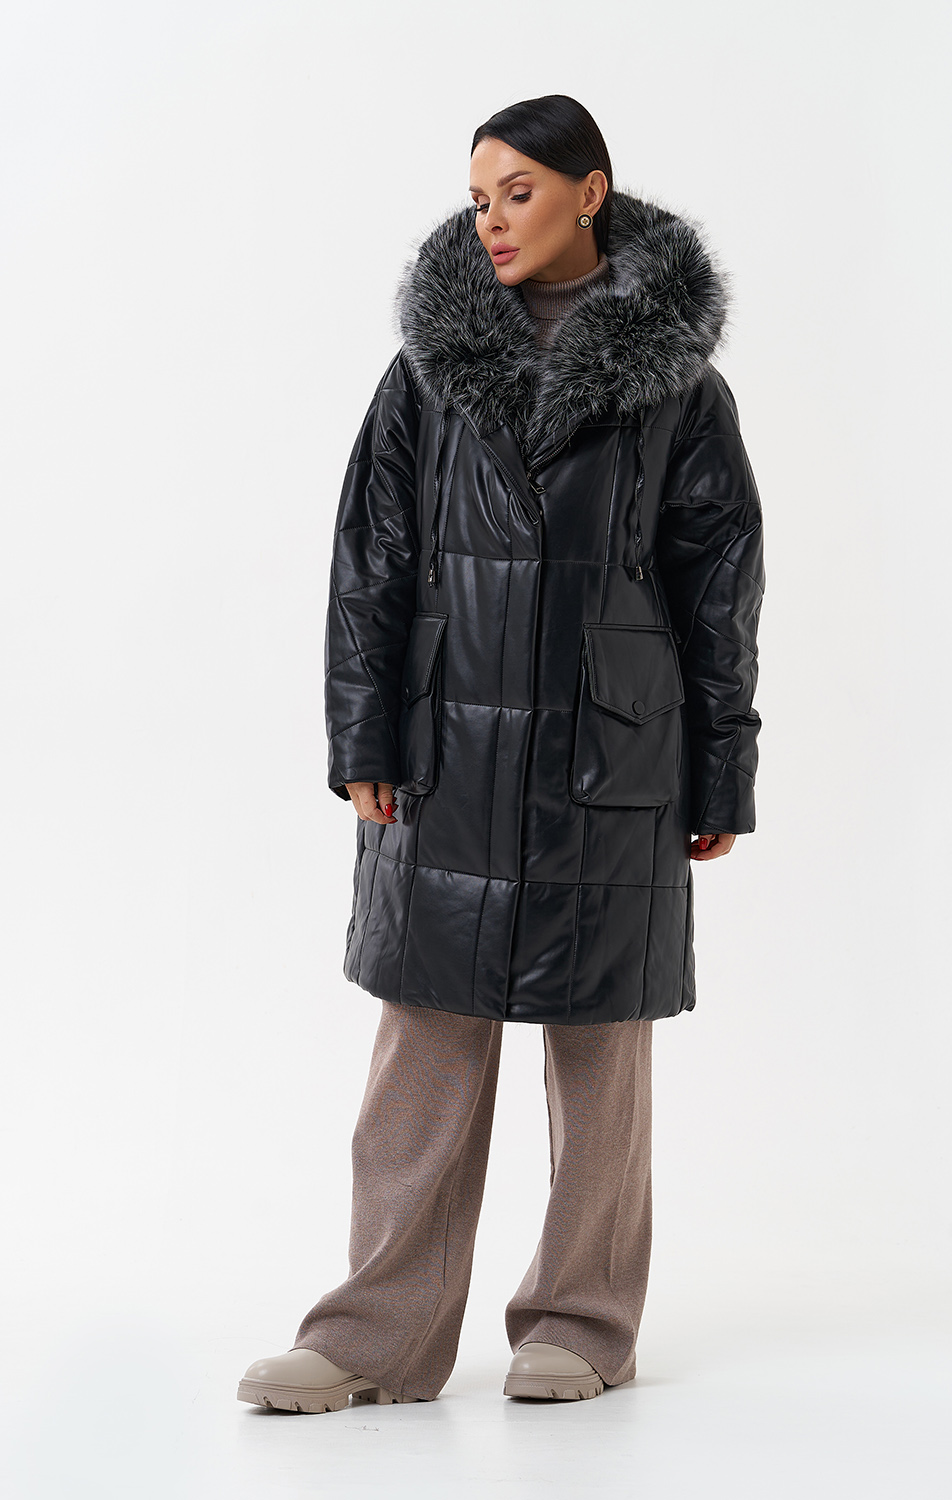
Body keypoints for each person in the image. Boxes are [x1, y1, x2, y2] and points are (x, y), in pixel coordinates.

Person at [237, 94, 764, 1414]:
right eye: (479, 198)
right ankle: (373, 1338)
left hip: (612, 755)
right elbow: (371, 563)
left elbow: (718, 592)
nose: (493, 219)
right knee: (422, 1045)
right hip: (445, 750)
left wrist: (720, 770)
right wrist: (363, 732)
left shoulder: (679, 387)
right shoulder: (425, 373)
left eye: (518, 191)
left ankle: (583, 1323)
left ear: (592, 190)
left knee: (600, 1054)